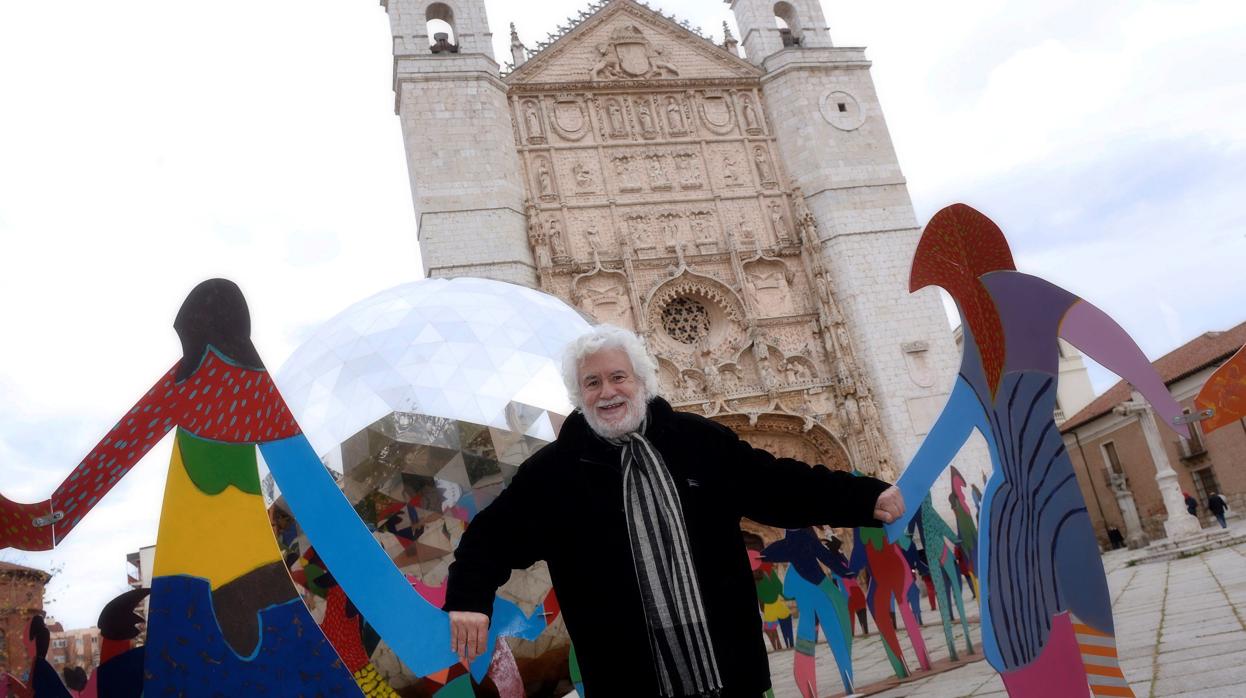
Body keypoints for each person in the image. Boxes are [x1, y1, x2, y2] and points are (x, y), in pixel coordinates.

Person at [444, 325, 903, 697]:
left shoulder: (696, 441)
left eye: (618, 377)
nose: (607, 391)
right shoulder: (555, 472)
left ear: (642, 381)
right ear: (578, 395)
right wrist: (468, 599)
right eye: (593, 382)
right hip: (627, 678)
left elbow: (778, 484)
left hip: (727, 667)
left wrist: (865, 497)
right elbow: (492, 537)